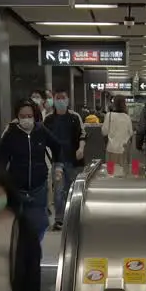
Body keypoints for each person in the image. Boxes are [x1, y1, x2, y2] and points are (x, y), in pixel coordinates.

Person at [0, 99, 62, 244]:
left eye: (29, 116)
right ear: (17, 117)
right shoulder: (11, 133)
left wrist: (57, 166)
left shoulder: (41, 130)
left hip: (38, 186)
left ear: (34, 116)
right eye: (22, 116)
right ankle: (19, 251)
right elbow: (1, 159)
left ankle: (34, 249)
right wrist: (0, 182)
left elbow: (57, 145)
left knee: (40, 223)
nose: (26, 119)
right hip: (17, 187)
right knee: (16, 224)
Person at [44, 89, 85, 229]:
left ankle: (72, 217)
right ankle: (60, 219)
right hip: (57, 161)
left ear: (68, 100)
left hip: (73, 160)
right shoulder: (48, 119)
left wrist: (81, 148)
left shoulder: (75, 117)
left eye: (63, 98)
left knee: (72, 190)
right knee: (59, 190)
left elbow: (82, 135)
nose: (61, 101)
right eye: (58, 98)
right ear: (54, 100)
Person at [102, 95, 134, 174]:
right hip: (123, 150)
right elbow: (131, 133)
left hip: (111, 150)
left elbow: (104, 132)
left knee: (110, 173)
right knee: (123, 174)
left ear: (114, 104)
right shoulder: (127, 117)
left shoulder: (108, 115)